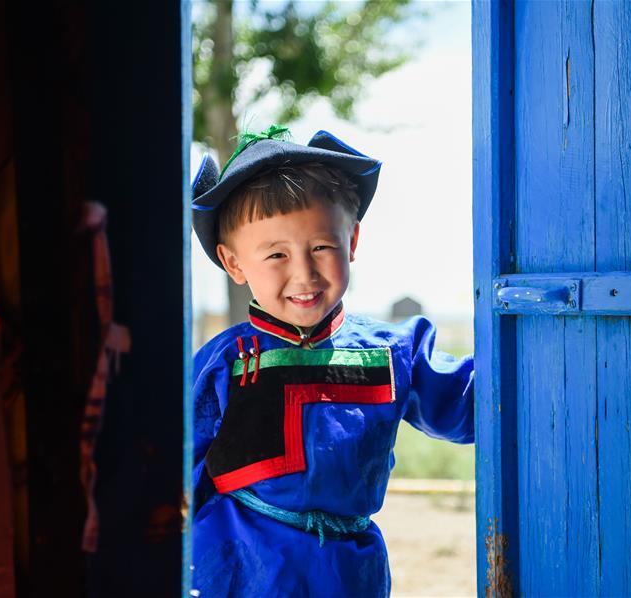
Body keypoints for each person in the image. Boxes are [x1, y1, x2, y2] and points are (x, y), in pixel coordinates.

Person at [189, 125, 475, 597]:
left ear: (353, 241)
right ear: (234, 263)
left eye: (322, 246)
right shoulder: (224, 363)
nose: (304, 273)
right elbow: (170, 473)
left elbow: (475, 404)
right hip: (242, 571)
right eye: (276, 254)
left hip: (349, 575)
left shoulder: (393, 353)